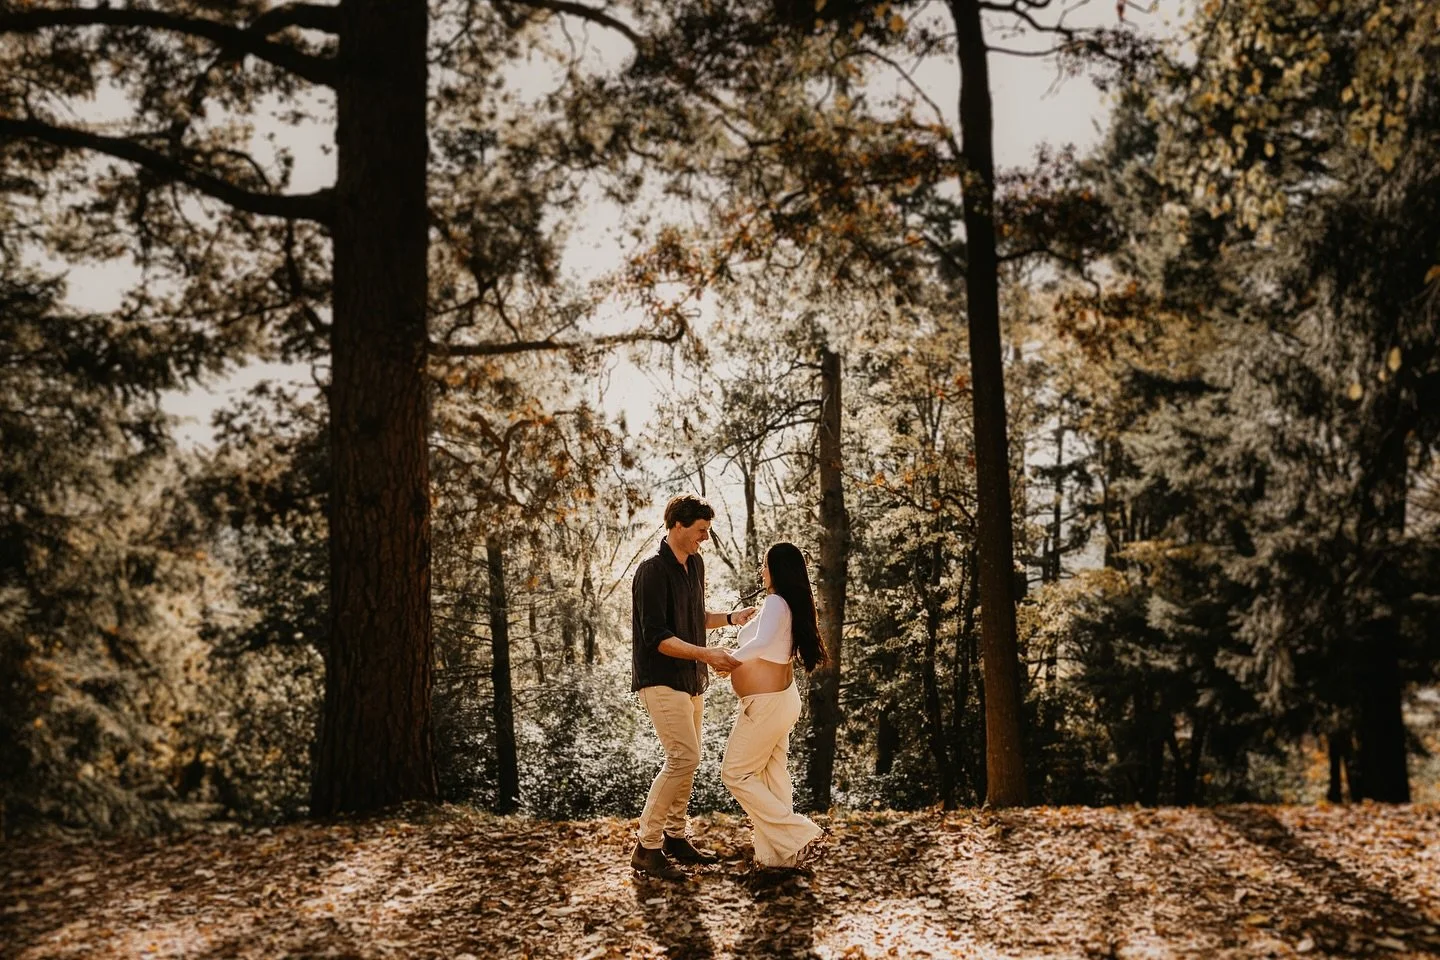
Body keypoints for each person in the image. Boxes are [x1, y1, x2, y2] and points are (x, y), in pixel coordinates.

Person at [630, 493, 756, 881]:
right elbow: (657, 637)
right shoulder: (651, 571)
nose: (705, 537)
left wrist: (732, 618)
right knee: (683, 757)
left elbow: (693, 617)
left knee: (689, 760)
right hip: (660, 678)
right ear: (678, 525)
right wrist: (707, 654)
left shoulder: (695, 564)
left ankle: (674, 836)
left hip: (691, 680)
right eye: (701, 530)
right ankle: (646, 847)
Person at [720, 541, 828, 870]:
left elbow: (763, 642)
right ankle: (779, 859)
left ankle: (802, 835)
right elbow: (769, 642)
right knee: (772, 776)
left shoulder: (776, 602)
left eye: (766, 564)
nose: (762, 570)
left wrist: (730, 660)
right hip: (780, 701)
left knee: (735, 773)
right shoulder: (787, 604)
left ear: (778, 570)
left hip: (767, 705)